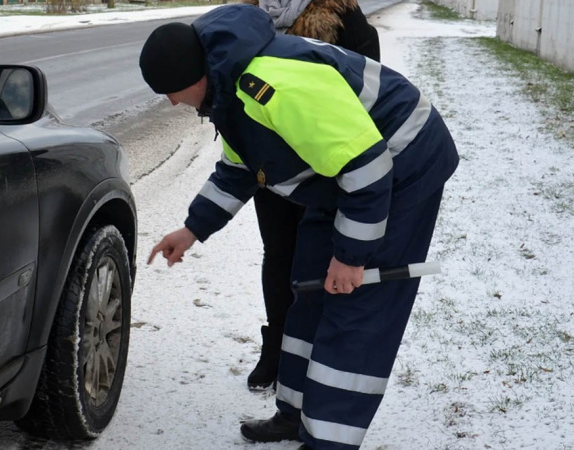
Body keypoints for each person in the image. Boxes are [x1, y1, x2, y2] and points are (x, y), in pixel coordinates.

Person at [139, 4, 458, 449]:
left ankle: (328, 441)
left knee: (354, 305)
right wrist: (192, 230)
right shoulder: (229, 89)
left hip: (400, 164)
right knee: (307, 286)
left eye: (170, 92)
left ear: (194, 78)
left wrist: (351, 258)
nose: (171, 103)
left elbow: (369, 170)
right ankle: (294, 415)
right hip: (339, 177)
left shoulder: (271, 85)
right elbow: (239, 169)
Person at [238, 0, 382, 391]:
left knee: (316, 257)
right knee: (278, 253)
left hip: (322, 165)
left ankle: (316, 351)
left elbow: (367, 79)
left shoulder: (339, 13)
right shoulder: (245, 17)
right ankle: (276, 350)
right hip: (267, 161)